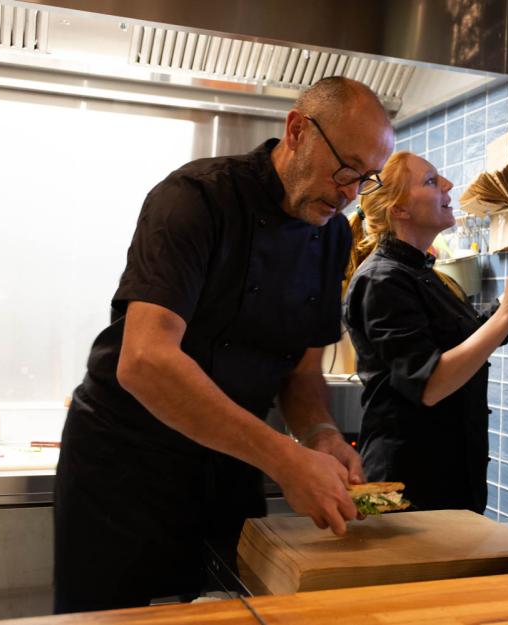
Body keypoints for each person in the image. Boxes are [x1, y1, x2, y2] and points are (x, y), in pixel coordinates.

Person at [54, 77, 394, 613]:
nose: (352, 192)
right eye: (347, 167)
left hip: (231, 461)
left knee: (232, 611)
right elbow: (144, 360)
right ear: (297, 129)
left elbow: (302, 373)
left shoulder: (333, 235)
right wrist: (285, 457)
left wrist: (321, 434)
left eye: (366, 179)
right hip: (126, 469)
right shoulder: (195, 199)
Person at [342, 152, 508, 513]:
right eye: (431, 181)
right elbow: (430, 385)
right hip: (408, 484)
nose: (448, 185)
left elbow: (472, 336)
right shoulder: (382, 280)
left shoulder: (422, 274)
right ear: (400, 210)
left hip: (450, 476)